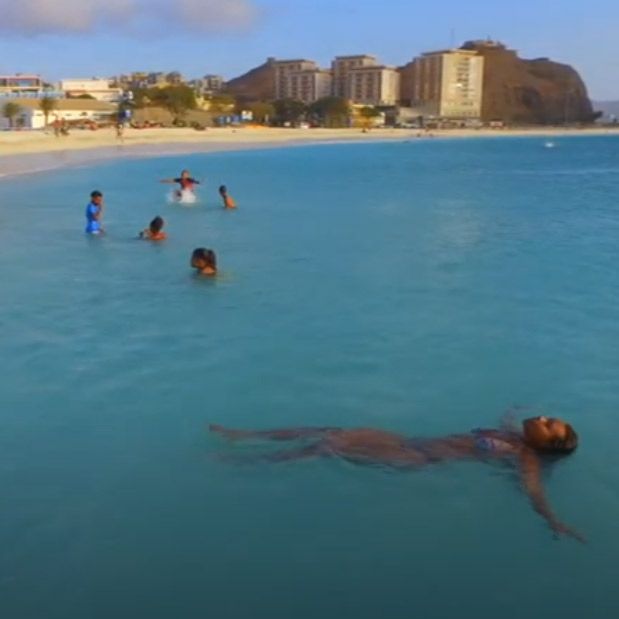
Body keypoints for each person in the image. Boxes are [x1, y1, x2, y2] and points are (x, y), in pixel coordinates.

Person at [210, 414, 584, 541]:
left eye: (549, 425)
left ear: (545, 446)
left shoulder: (525, 455)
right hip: (411, 443)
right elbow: (511, 419)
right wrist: (513, 410)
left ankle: (252, 463)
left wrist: (553, 521)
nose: (544, 416)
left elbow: (533, 489)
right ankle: (245, 437)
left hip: (414, 457)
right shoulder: (513, 435)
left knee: (328, 445)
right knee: (330, 430)